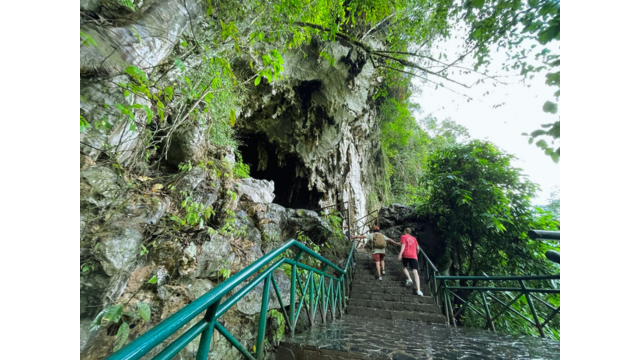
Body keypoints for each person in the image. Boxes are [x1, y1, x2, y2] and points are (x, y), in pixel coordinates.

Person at [389, 228, 423, 296]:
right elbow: (418, 248)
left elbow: (403, 245)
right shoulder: (414, 238)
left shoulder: (403, 236)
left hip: (406, 254)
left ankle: (409, 279)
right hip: (414, 256)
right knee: (415, 272)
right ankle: (418, 290)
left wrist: (400, 254)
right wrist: (416, 253)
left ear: (405, 231)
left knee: (404, 267)